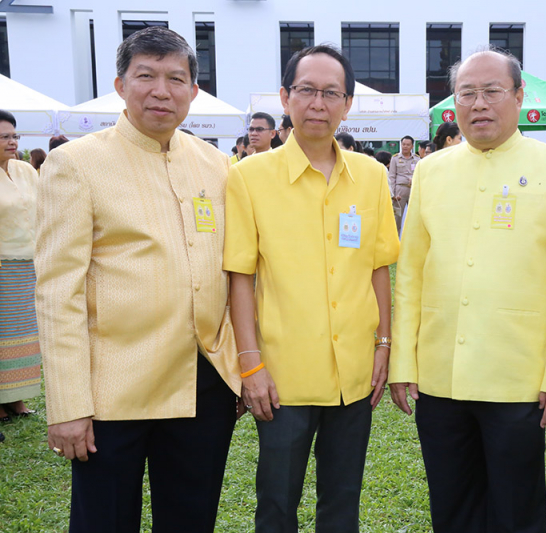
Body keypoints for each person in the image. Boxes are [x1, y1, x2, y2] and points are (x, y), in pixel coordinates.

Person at [35, 27, 240, 532]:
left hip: (202, 383)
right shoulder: (76, 164)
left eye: (176, 78)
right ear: (120, 84)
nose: (161, 90)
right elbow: (58, 292)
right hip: (113, 388)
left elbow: (232, 272)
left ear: (194, 90)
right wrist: (67, 404)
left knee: (192, 518)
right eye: (145, 75)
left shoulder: (216, 165)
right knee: (104, 519)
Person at [389, 46, 546, 533]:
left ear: (519, 96)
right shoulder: (432, 170)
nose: (478, 104)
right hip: (440, 377)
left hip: (516, 376)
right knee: (452, 504)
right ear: (453, 104)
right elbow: (410, 273)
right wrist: (403, 363)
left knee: (516, 509)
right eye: (467, 94)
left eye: (492, 92)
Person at [223, 44, 399, 533]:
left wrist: (384, 343)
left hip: (353, 370)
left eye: (331, 93)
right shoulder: (249, 177)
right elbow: (241, 276)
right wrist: (250, 362)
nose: (317, 103)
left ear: (348, 104)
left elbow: (379, 267)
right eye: (306, 90)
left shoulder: (370, 176)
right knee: (277, 501)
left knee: (343, 500)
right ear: (285, 97)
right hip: (282, 374)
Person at [0, 109, 40, 424]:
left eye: (14, 136)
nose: (12, 142)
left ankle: (18, 399)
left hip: (30, 263)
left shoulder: (26, 170)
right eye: (5, 137)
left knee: (25, 334)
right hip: (3, 266)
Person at [388, 135, 420, 233]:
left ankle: (414, 238)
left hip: (413, 189)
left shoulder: (417, 159)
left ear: (412, 146)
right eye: (403, 144)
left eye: (407, 145)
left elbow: (420, 174)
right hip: (400, 190)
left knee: (415, 215)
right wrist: (393, 194)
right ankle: (395, 237)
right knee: (397, 216)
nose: (405, 146)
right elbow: (391, 176)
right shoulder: (395, 158)